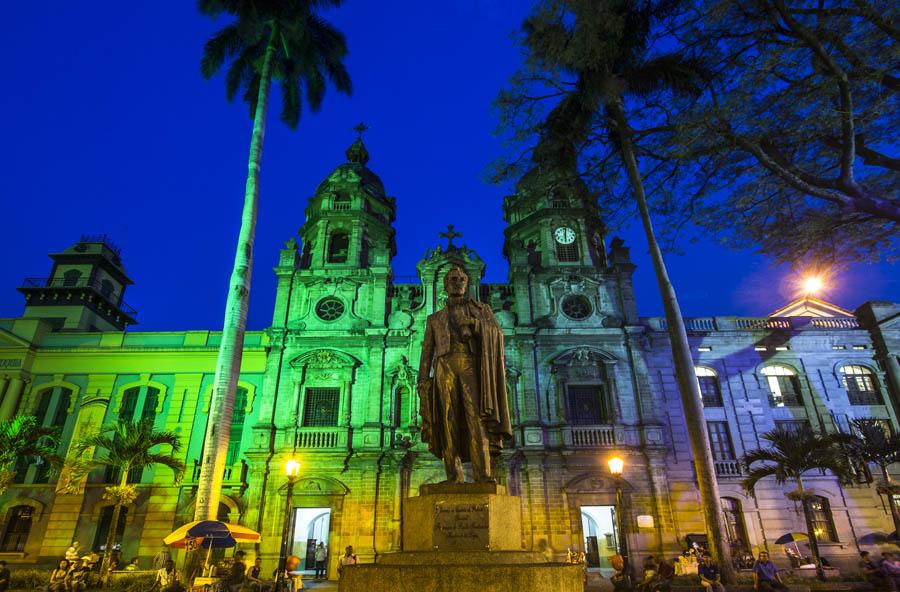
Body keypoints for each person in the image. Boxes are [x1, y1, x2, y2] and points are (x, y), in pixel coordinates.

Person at [416, 266, 512, 484]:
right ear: (445, 285)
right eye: (452, 279)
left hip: (470, 365)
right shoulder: (434, 319)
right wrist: (423, 379)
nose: (457, 281)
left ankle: (483, 474)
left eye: (461, 278)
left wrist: (476, 325)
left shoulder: (482, 310)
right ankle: (453, 475)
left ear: (467, 283)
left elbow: (497, 334)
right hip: (444, 367)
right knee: (446, 420)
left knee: (476, 419)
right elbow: (426, 350)